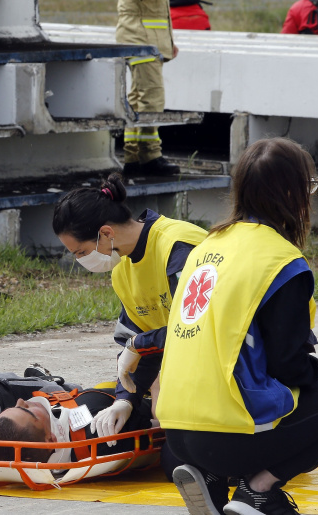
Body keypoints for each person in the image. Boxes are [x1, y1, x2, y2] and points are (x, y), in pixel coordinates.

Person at [157, 138, 318, 515]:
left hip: (175, 432)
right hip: (228, 433)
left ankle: (209, 477)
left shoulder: (206, 247)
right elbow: (286, 365)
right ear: (292, 192)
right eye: (310, 187)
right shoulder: (280, 260)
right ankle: (258, 490)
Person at [52, 173, 208, 446]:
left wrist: (139, 344)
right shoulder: (122, 269)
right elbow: (133, 344)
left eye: (80, 252)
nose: (80, 261)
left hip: (231, 366)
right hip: (193, 370)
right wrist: (124, 400)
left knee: (183, 458)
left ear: (106, 233)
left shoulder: (178, 247)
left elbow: (200, 329)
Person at [115, 0, 190, 176]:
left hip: (147, 41)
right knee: (151, 98)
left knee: (139, 99)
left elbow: (155, 10)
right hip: (139, 40)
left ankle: (132, 157)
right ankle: (149, 157)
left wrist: (168, 42)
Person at [0, 386, 160, 471]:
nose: (20, 401)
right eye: (26, 410)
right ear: (51, 440)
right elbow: (162, 426)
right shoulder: (102, 429)